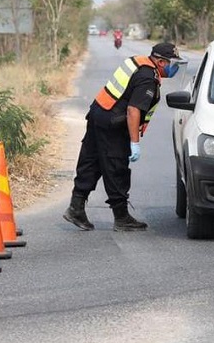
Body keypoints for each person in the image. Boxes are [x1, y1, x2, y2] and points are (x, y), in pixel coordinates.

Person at [63, 42, 182, 231]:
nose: (175, 67)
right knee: (116, 166)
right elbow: (133, 110)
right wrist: (134, 142)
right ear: (160, 62)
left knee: (91, 161)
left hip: (98, 112)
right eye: (172, 63)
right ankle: (121, 217)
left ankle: (76, 207)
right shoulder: (148, 78)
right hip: (113, 123)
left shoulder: (138, 62)